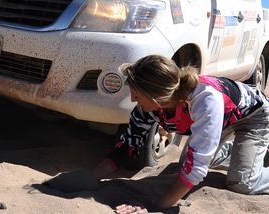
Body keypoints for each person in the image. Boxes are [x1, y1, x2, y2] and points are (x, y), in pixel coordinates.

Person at [92, 55, 269, 213]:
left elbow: (195, 171)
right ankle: (243, 152)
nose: (132, 100)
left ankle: (250, 156)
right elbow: (128, 146)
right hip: (222, 120)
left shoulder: (205, 100)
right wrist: (91, 177)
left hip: (254, 117)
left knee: (242, 183)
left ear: (157, 96)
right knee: (187, 164)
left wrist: (155, 207)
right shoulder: (148, 108)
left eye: (137, 95)